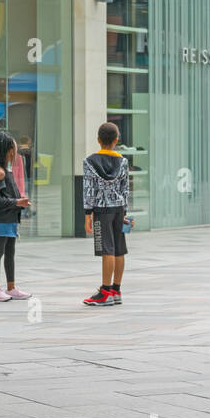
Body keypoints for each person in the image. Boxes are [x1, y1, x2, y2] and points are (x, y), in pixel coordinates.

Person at [82, 122, 133, 307]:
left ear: (98, 140)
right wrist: (125, 212)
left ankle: (104, 292)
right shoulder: (124, 161)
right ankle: (116, 289)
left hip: (101, 210)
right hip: (119, 208)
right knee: (119, 249)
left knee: (107, 249)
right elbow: (125, 189)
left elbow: (89, 190)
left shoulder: (89, 162)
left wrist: (88, 214)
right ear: (116, 140)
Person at [0, 131, 32, 302]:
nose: (16, 150)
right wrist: (16, 202)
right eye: (13, 147)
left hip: (11, 217)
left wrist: (20, 202)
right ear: (7, 150)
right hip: (1, 219)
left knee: (10, 253)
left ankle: (11, 287)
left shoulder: (7, 170)